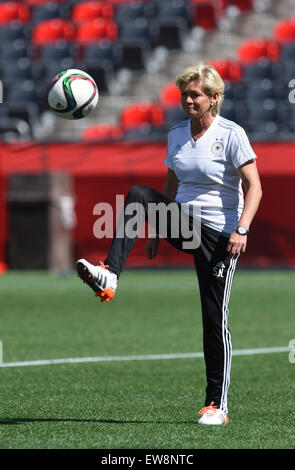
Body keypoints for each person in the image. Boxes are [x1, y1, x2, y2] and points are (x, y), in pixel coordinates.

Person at [76, 61, 262, 425]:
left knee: (213, 318)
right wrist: (158, 233)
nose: (188, 100)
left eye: (195, 95)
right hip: (186, 225)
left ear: (214, 98)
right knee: (140, 193)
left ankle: (216, 406)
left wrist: (242, 229)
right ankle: (110, 275)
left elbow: (255, 186)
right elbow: (171, 186)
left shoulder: (231, 134)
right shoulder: (177, 133)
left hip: (222, 237)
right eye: (184, 94)